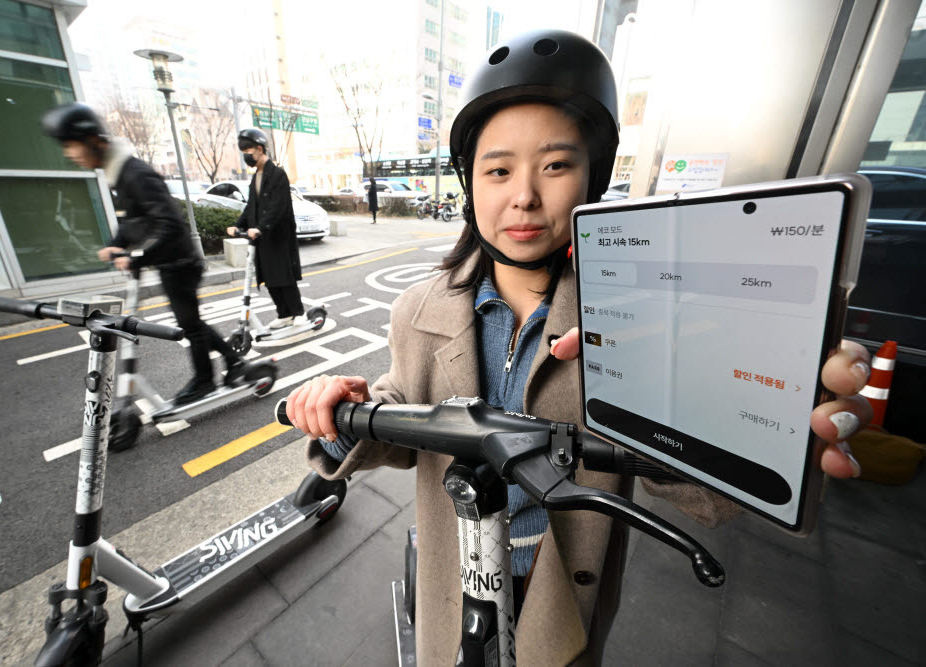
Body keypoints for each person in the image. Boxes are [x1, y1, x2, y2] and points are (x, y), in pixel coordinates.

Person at [284, 30, 872, 665]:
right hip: (452, 574)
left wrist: (764, 415)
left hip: (557, 583)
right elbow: (401, 412)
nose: (525, 195)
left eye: (557, 165)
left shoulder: (637, 319)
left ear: (594, 174)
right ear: (469, 181)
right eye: (499, 169)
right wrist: (342, 410)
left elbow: (696, 482)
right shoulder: (417, 308)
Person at [41, 102, 245, 406]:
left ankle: (205, 380)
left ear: (93, 140)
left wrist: (138, 258)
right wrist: (117, 244)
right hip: (169, 262)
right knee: (192, 323)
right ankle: (233, 361)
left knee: (190, 325)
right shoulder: (119, 174)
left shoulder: (134, 174)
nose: (70, 154)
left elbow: (170, 225)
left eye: (71, 146)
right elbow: (131, 220)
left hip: (180, 263)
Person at [226, 128, 304, 328]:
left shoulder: (277, 174)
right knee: (269, 277)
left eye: (248, 152)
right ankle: (284, 314)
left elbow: (278, 207)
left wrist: (261, 227)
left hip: (277, 235)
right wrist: (238, 226)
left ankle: (298, 312)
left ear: (260, 149)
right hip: (262, 238)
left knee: (283, 276)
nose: (246, 157)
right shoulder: (256, 177)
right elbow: (251, 206)